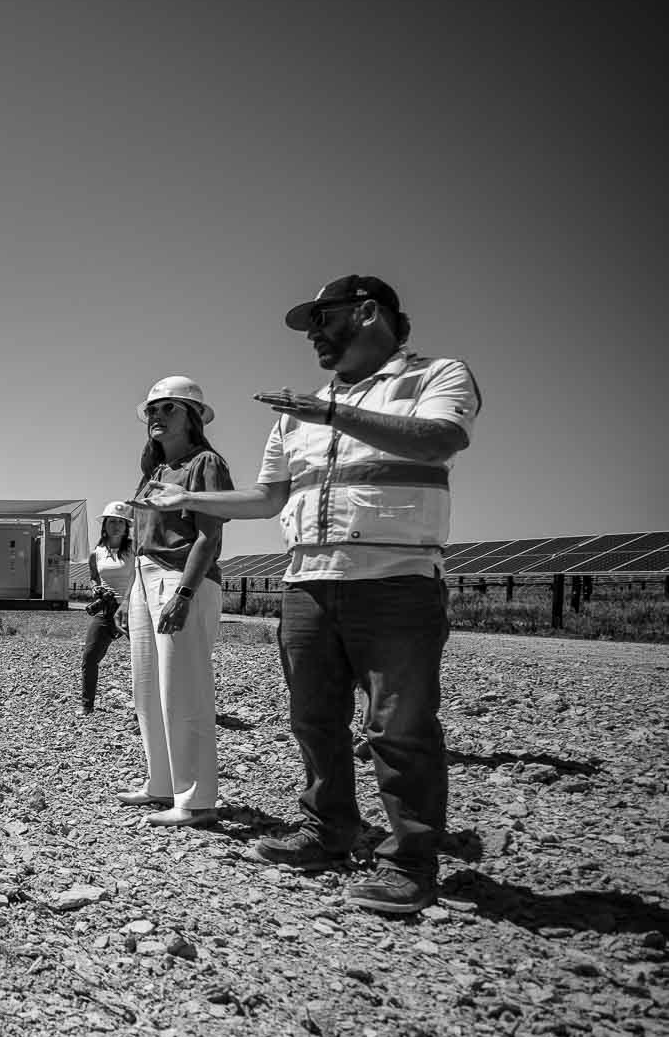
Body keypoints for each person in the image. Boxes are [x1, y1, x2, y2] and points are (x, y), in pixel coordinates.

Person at [131, 276, 480, 914]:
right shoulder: (299, 415)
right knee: (315, 719)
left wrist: (333, 413)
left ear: (368, 313)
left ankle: (411, 860)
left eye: (323, 319)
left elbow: (441, 440)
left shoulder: (435, 377)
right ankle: (328, 831)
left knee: (398, 726)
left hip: (395, 579)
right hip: (308, 581)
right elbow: (267, 499)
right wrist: (188, 499)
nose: (313, 334)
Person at [116, 378, 232, 828]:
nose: (156, 417)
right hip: (146, 579)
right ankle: (162, 783)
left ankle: (197, 798)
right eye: (152, 410)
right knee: (147, 690)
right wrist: (131, 593)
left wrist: (184, 593)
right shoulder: (154, 472)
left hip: (182, 577)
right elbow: (143, 541)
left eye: (168, 408)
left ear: (193, 416)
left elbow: (210, 535)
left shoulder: (204, 463)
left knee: (184, 690)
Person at [80, 500, 135, 714]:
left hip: (132, 609)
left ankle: (151, 707)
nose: (116, 526)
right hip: (106, 610)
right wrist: (97, 589)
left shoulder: (134, 550)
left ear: (126, 526)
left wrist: (128, 601)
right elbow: (94, 576)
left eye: (120, 522)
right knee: (90, 657)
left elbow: (139, 575)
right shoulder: (97, 552)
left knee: (145, 658)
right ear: (105, 525)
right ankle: (87, 705)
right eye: (112, 521)